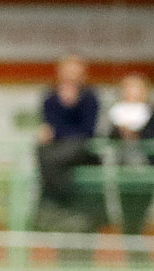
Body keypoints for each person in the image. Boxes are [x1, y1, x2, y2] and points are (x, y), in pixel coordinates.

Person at [106, 74, 154, 264]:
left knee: (139, 217)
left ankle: (139, 259)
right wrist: (120, 132)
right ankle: (137, 259)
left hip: (147, 174)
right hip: (124, 173)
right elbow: (108, 140)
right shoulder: (116, 113)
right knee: (128, 219)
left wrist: (139, 133)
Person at [35, 55, 104, 238]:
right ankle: (57, 206)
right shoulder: (50, 98)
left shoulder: (90, 97)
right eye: (67, 71)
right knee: (42, 150)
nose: (71, 76)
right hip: (57, 152)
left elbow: (86, 131)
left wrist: (69, 111)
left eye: (75, 71)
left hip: (80, 151)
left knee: (67, 150)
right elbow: (49, 127)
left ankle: (56, 203)